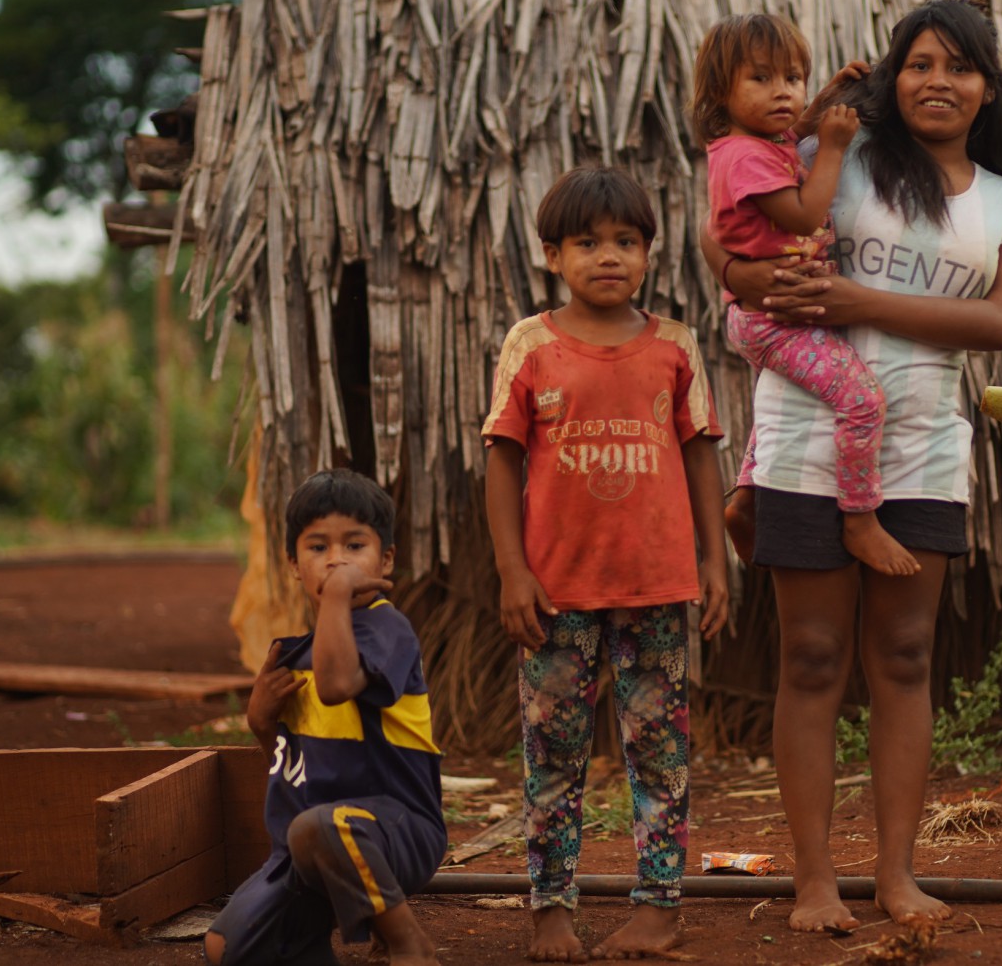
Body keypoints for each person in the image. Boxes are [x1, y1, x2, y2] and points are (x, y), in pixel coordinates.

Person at [705, 0, 1002, 930]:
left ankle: (895, 874)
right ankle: (816, 880)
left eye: (960, 66)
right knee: (811, 656)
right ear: (894, 76)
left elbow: (998, 323)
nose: (939, 81)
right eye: (920, 63)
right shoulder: (840, 157)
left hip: (925, 444)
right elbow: (726, 232)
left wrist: (856, 296)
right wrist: (744, 281)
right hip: (809, 432)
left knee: (903, 655)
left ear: (987, 89)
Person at [482, 166, 730, 962]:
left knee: (660, 752)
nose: (608, 257)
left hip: (658, 586)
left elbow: (699, 458)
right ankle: (550, 906)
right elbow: (501, 461)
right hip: (555, 592)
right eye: (587, 243)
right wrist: (513, 572)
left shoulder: (675, 346)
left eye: (626, 241)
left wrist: (715, 563)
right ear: (553, 254)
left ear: (650, 254)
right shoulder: (531, 344)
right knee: (551, 755)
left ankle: (659, 906)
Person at [692, 12, 917, 578]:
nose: (782, 93)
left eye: (792, 78)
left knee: (790, 403)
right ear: (723, 90)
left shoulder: (762, 142)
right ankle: (859, 517)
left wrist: (822, 102)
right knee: (862, 401)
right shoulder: (743, 156)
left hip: (777, 314)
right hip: (778, 322)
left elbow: (794, 139)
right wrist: (835, 146)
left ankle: (744, 501)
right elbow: (804, 214)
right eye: (762, 79)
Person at [207, 468, 445, 966]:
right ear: (293, 563)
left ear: (386, 559)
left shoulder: (387, 630)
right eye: (318, 549)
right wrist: (260, 723)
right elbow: (295, 763)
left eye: (354, 546)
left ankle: (408, 944)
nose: (336, 561)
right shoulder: (297, 656)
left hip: (398, 830)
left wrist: (336, 595)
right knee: (225, 948)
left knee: (322, 827)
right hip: (309, 847)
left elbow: (339, 686)